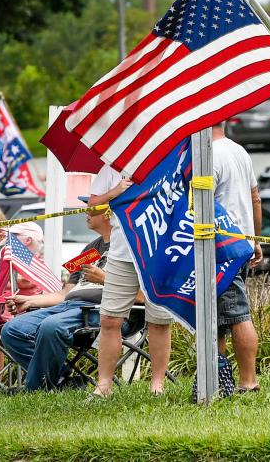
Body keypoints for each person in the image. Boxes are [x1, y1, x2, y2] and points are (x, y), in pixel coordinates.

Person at [0, 207, 112, 391]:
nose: (86, 213)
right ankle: (61, 381)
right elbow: (63, 294)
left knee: (51, 326)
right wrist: (29, 301)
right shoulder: (91, 248)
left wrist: (104, 279)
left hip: (100, 310)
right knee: (12, 330)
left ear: (109, 213)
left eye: (92, 209)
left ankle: (34, 390)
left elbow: (140, 294)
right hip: (69, 306)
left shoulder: (128, 247)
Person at [86, 165, 173, 398]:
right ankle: (103, 386)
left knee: (159, 321)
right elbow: (92, 207)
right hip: (120, 255)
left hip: (158, 253)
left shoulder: (166, 157)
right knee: (109, 319)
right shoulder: (110, 167)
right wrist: (114, 192)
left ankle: (157, 385)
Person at [211, 122, 264, 393]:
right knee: (217, 318)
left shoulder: (209, 156)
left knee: (236, 313)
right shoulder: (239, 151)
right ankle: (220, 379)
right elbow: (255, 198)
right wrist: (254, 238)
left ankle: (248, 381)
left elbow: (200, 203)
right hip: (241, 242)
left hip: (223, 248)